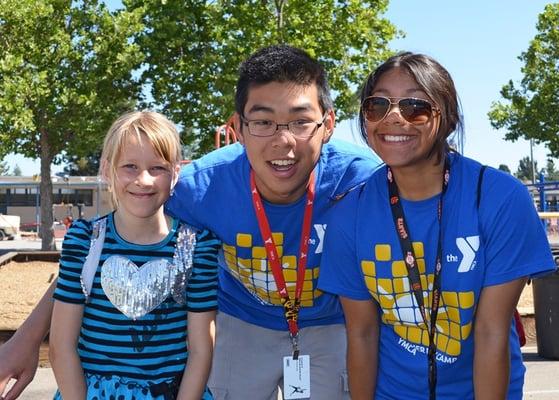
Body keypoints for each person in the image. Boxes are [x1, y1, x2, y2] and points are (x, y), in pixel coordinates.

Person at [0, 45, 379, 400]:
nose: (284, 142)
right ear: (238, 128)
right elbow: (89, 262)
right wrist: (26, 340)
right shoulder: (194, 186)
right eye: (263, 121)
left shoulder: (366, 182)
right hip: (241, 322)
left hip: (328, 324)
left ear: (328, 124)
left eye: (300, 121)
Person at [318, 52, 557, 399]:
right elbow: (362, 334)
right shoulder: (347, 215)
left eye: (414, 106)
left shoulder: (499, 198)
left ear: (446, 118)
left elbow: (491, 332)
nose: (394, 117)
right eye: (377, 106)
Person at [49, 111, 218, 399]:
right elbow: (61, 346)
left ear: (176, 173)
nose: (143, 180)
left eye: (158, 168)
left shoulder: (196, 247)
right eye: (130, 166)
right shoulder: (84, 242)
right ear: (107, 170)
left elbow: (202, 350)